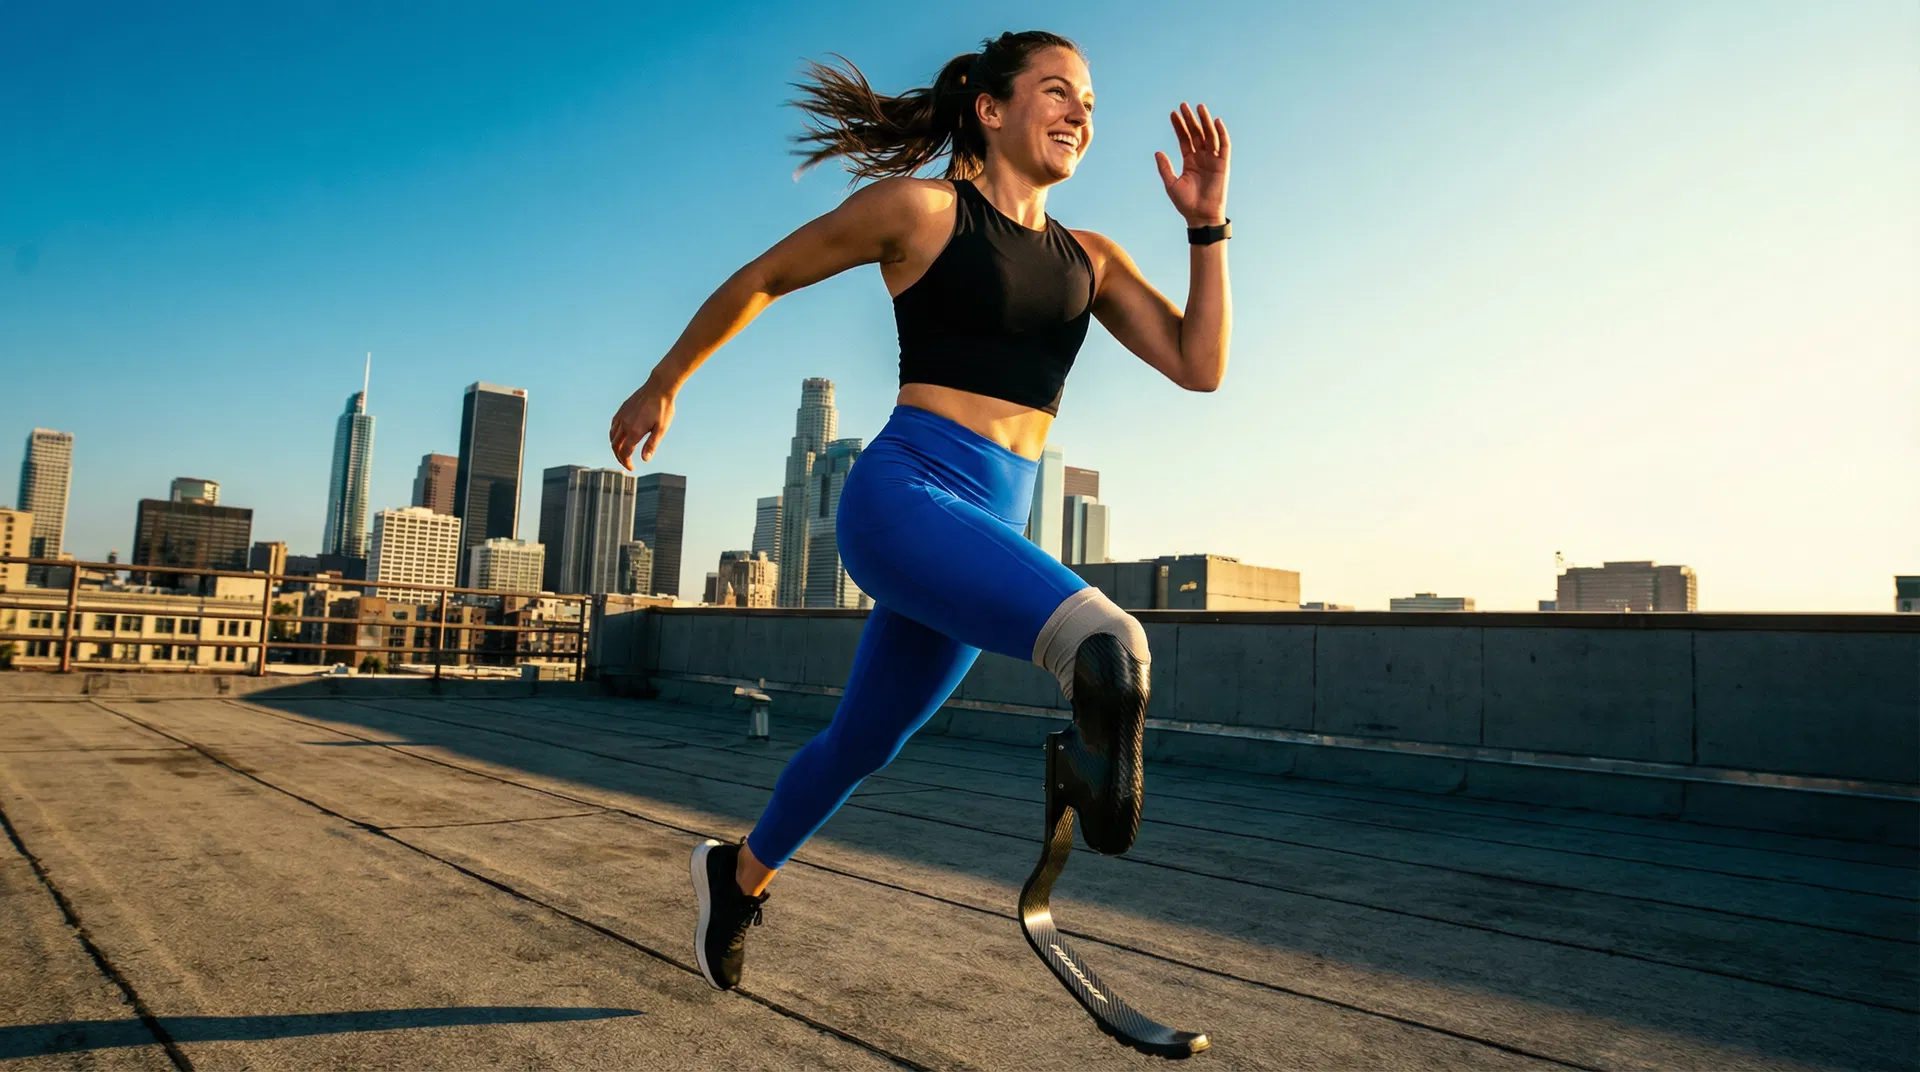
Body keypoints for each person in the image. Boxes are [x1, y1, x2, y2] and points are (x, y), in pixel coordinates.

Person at [607, 29, 1231, 995]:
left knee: (866, 742)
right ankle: (1082, 760)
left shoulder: (1090, 259)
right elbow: (768, 274)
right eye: (1058, 92)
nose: (1080, 115)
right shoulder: (925, 211)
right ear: (991, 107)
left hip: (984, 529)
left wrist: (1205, 226)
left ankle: (736, 880)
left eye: (1091, 106)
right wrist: (664, 378)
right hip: (904, 499)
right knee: (1106, 647)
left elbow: (1200, 364)